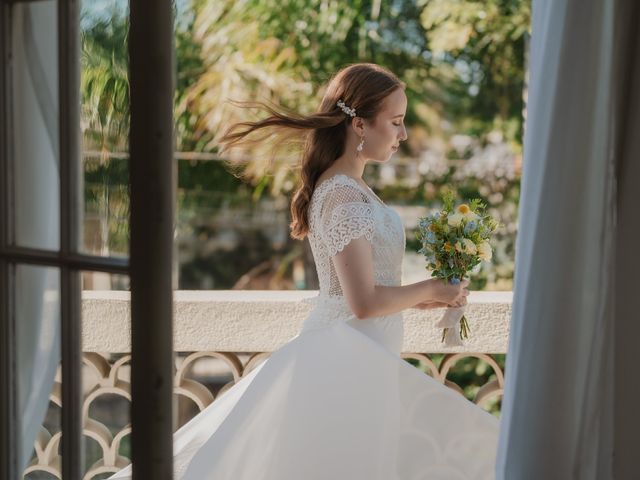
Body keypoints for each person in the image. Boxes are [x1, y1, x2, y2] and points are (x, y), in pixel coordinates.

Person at [110, 63, 498, 480]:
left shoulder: (354, 188)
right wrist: (432, 286)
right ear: (361, 125)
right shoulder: (342, 196)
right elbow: (363, 302)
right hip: (342, 365)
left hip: (367, 359)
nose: (403, 135)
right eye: (397, 122)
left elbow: (371, 290)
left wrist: (427, 298)